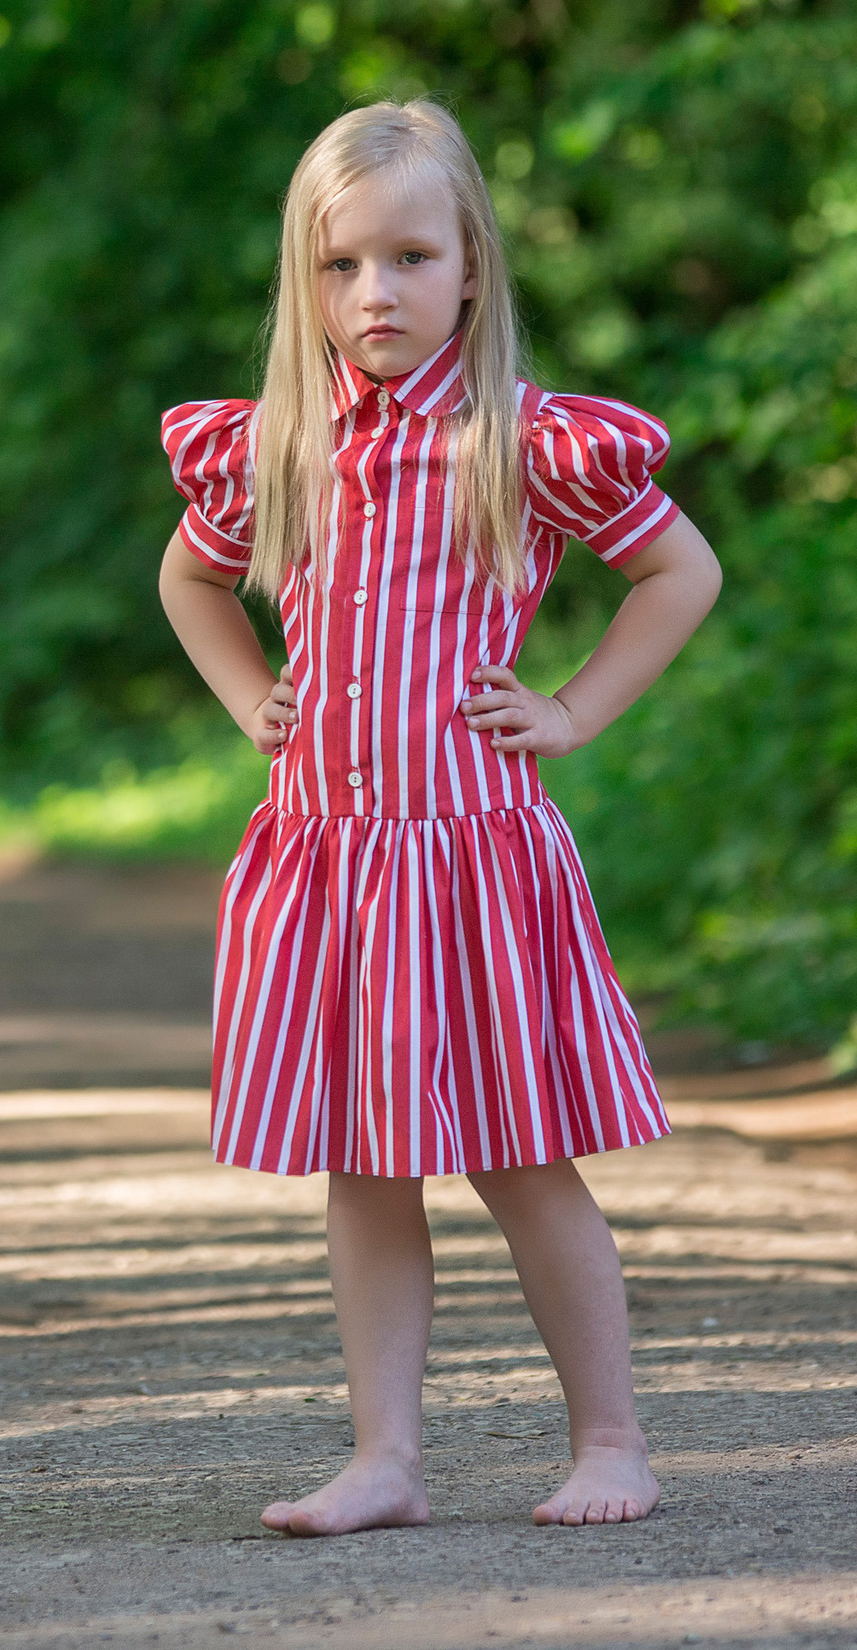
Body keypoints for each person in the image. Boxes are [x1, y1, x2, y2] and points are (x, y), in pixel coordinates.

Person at [157, 99, 722, 1535]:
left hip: (472, 860)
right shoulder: (280, 443)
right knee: (366, 1166)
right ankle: (385, 1461)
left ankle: (610, 1442)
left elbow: (683, 575)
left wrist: (577, 711)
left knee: (524, 1160)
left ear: (471, 262)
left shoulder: (523, 442)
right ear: (308, 280)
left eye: (410, 258)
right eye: (341, 266)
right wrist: (249, 704)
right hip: (332, 862)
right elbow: (189, 584)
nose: (375, 294)